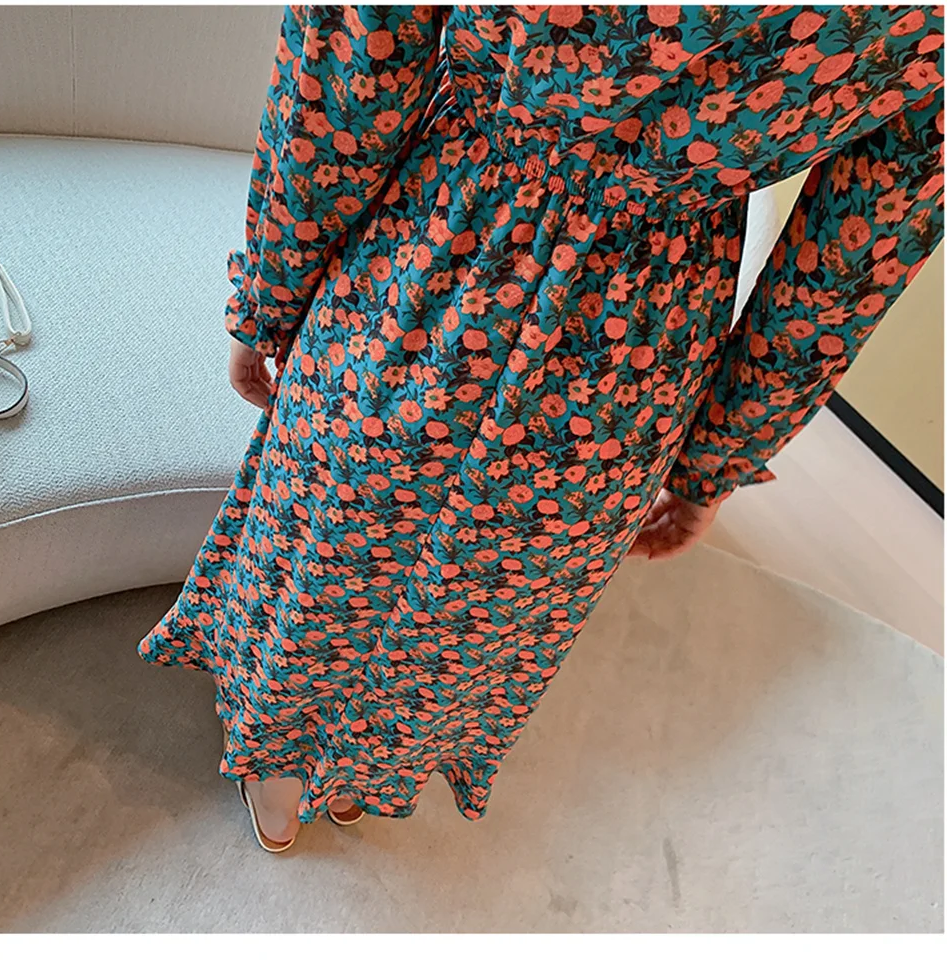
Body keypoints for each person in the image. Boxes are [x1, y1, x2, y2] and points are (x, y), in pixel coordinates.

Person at [139, 5, 944, 851]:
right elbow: (846, 269)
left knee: (333, 521)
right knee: (483, 588)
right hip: (637, 341)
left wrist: (272, 286)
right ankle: (361, 770)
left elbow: (355, 61)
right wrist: (715, 459)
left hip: (440, 244)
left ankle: (277, 755)